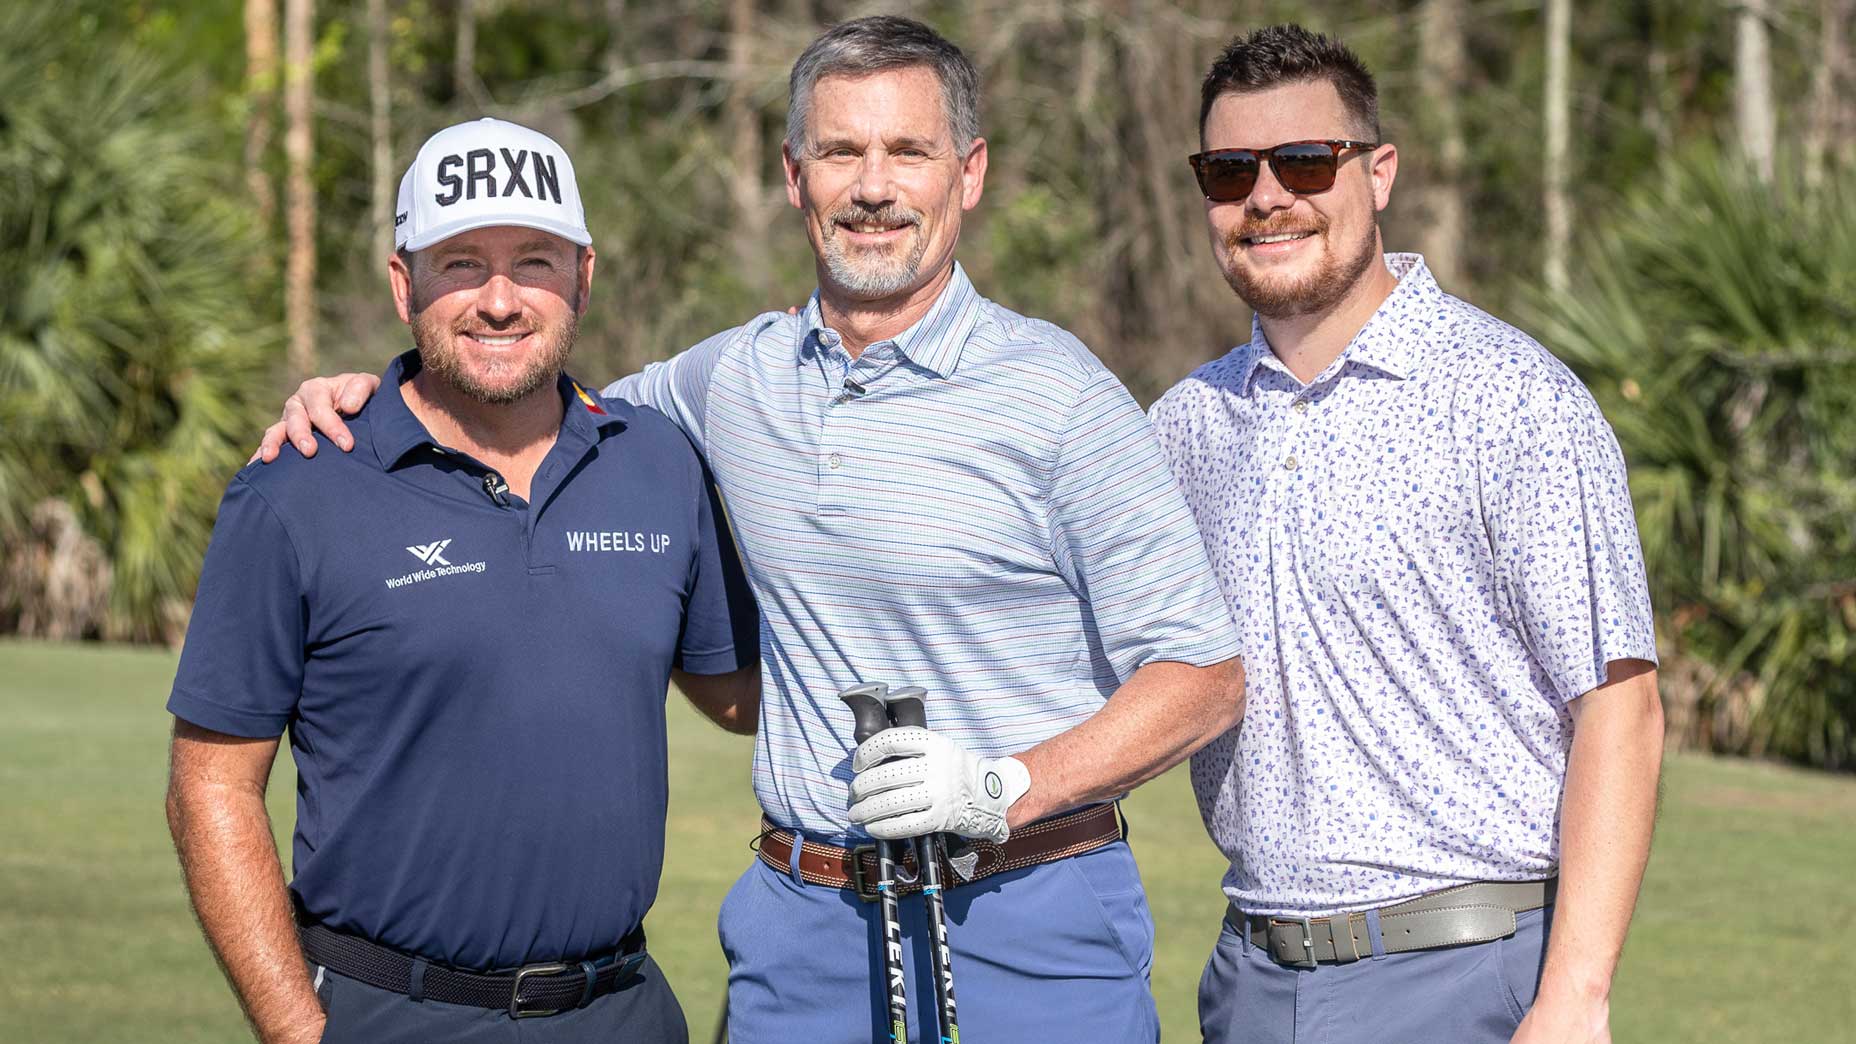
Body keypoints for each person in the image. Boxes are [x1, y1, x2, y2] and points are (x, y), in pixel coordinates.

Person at [257, 16, 1245, 1043]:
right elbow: (524, 393)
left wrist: (1001, 785)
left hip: (1022, 915)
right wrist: (379, 395)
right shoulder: (727, 379)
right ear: (791, 174)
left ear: (969, 172)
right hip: (800, 930)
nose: (872, 186)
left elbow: (1203, 678)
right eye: (838, 152)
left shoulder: (1058, 396)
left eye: (907, 151)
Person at [166, 117, 759, 1044]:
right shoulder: (300, 483)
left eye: (534, 261)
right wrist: (293, 1029)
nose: (499, 299)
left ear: (584, 277)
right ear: (404, 283)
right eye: (459, 264)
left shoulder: (658, 462)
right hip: (388, 1012)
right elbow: (210, 787)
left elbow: (742, 699)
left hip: (625, 1010)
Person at [1149, 24, 1665, 1044]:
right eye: (1228, 170)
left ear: (1376, 172)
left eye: (1303, 161)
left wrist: (1574, 999)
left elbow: (1619, 705)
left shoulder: (1510, 399)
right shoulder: (1183, 427)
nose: (1266, 197)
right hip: (1250, 978)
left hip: (1467, 977)